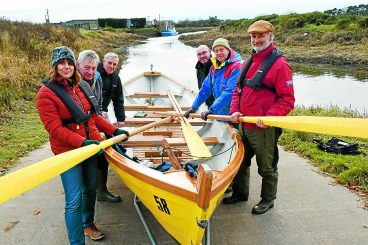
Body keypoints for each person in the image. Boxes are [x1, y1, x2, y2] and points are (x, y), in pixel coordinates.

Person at [36, 46, 129, 244]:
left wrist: (114, 130)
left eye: (69, 63)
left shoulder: (80, 86)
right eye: (62, 63)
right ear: (55, 66)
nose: (67, 66)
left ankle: (88, 224)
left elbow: (93, 117)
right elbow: (55, 129)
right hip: (68, 153)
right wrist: (82, 142)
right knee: (73, 201)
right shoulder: (45, 94)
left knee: (90, 190)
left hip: (90, 149)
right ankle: (76, 242)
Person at [223, 20, 295, 215]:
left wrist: (269, 117)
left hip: (264, 129)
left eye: (260, 36)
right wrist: (235, 111)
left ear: (271, 37)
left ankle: (268, 199)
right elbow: (238, 90)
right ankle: (240, 193)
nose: (256, 40)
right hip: (244, 125)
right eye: (253, 36)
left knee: (267, 167)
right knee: (240, 163)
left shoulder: (280, 65)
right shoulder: (249, 61)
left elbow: (287, 100)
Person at [77, 50, 122, 203]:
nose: (91, 71)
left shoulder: (99, 78)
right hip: (81, 128)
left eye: (93, 68)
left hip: (95, 120)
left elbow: (102, 101)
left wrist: (112, 123)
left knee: (103, 153)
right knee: (87, 161)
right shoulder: (76, 83)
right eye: (87, 68)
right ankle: (89, 193)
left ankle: (101, 190)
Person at [184, 38, 243, 120]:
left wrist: (212, 109)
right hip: (220, 112)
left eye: (221, 50)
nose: (219, 53)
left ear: (228, 50)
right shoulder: (214, 67)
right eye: (216, 50)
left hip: (233, 114)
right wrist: (194, 107)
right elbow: (205, 89)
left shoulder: (237, 66)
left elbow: (230, 92)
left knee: (235, 130)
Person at [96, 52, 126, 203]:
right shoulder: (94, 74)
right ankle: (99, 191)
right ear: (103, 61)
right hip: (91, 116)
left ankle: (101, 189)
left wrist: (121, 119)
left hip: (101, 117)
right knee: (99, 151)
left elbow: (118, 100)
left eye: (115, 64)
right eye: (109, 63)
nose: (112, 67)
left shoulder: (115, 78)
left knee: (105, 149)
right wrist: (100, 110)